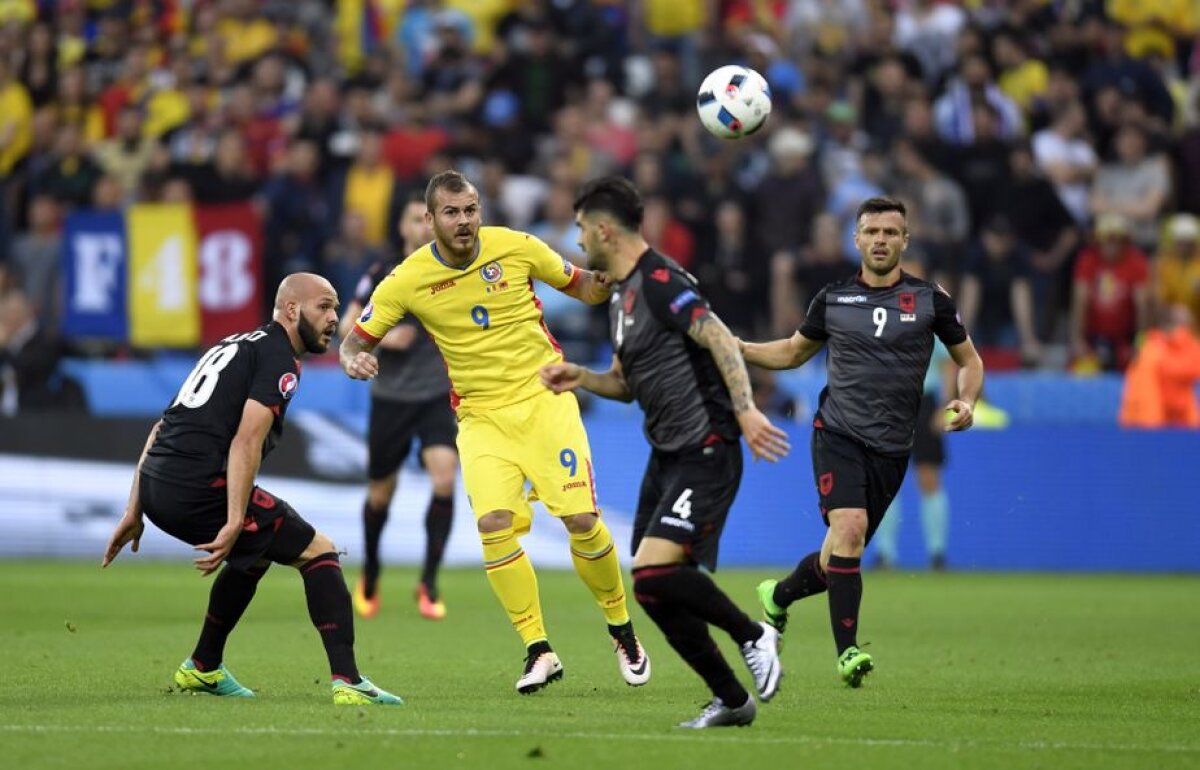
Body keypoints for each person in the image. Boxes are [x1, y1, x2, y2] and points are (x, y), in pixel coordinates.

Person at [340, 170, 649, 694]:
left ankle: (622, 630)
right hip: (481, 416)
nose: (464, 222)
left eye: (471, 210)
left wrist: (611, 272)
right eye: (452, 213)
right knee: (494, 524)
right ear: (429, 219)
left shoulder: (517, 246)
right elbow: (354, 341)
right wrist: (354, 360)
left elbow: (583, 288)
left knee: (580, 518)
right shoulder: (406, 279)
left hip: (545, 399)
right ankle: (538, 649)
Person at [541, 177, 790, 729]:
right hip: (667, 454)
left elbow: (719, 337)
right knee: (653, 591)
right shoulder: (620, 297)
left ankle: (754, 633)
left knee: (654, 576)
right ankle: (731, 700)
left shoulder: (660, 280)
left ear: (605, 228)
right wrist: (581, 376)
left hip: (706, 445)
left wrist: (746, 409)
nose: (578, 240)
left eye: (581, 228)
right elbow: (628, 385)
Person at [102, 273, 403, 706]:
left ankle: (203, 667)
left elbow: (161, 426)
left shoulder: (234, 344)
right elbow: (247, 441)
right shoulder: (278, 358)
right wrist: (232, 517)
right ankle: (348, 681)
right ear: (291, 309)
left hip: (159, 484)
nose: (334, 318)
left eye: (336, 307)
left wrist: (136, 507)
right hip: (195, 487)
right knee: (318, 551)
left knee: (257, 553)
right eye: (324, 306)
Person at [741, 197, 984, 687]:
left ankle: (779, 597)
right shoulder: (832, 299)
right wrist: (736, 347)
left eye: (890, 233)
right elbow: (791, 353)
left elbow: (970, 361)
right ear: (856, 239)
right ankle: (848, 652)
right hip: (838, 433)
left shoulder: (930, 300)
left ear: (905, 241)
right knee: (850, 528)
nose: (880, 240)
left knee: (836, 560)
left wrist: (966, 400)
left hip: (893, 446)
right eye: (871, 231)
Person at [336, 192, 459, 621]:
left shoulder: (456, 272)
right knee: (380, 495)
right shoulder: (383, 273)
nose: (424, 227)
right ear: (404, 228)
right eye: (415, 219)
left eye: (430, 219)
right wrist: (386, 338)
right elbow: (347, 325)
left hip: (436, 397)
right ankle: (370, 573)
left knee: (444, 479)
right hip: (390, 399)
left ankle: (428, 583)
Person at [872, 338, 956, 570]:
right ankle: (885, 554)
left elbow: (948, 363)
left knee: (929, 479)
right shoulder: (882, 317)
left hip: (924, 403)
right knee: (886, 482)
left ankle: (937, 553)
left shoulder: (928, 314)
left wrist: (945, 406)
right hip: (888, 404)